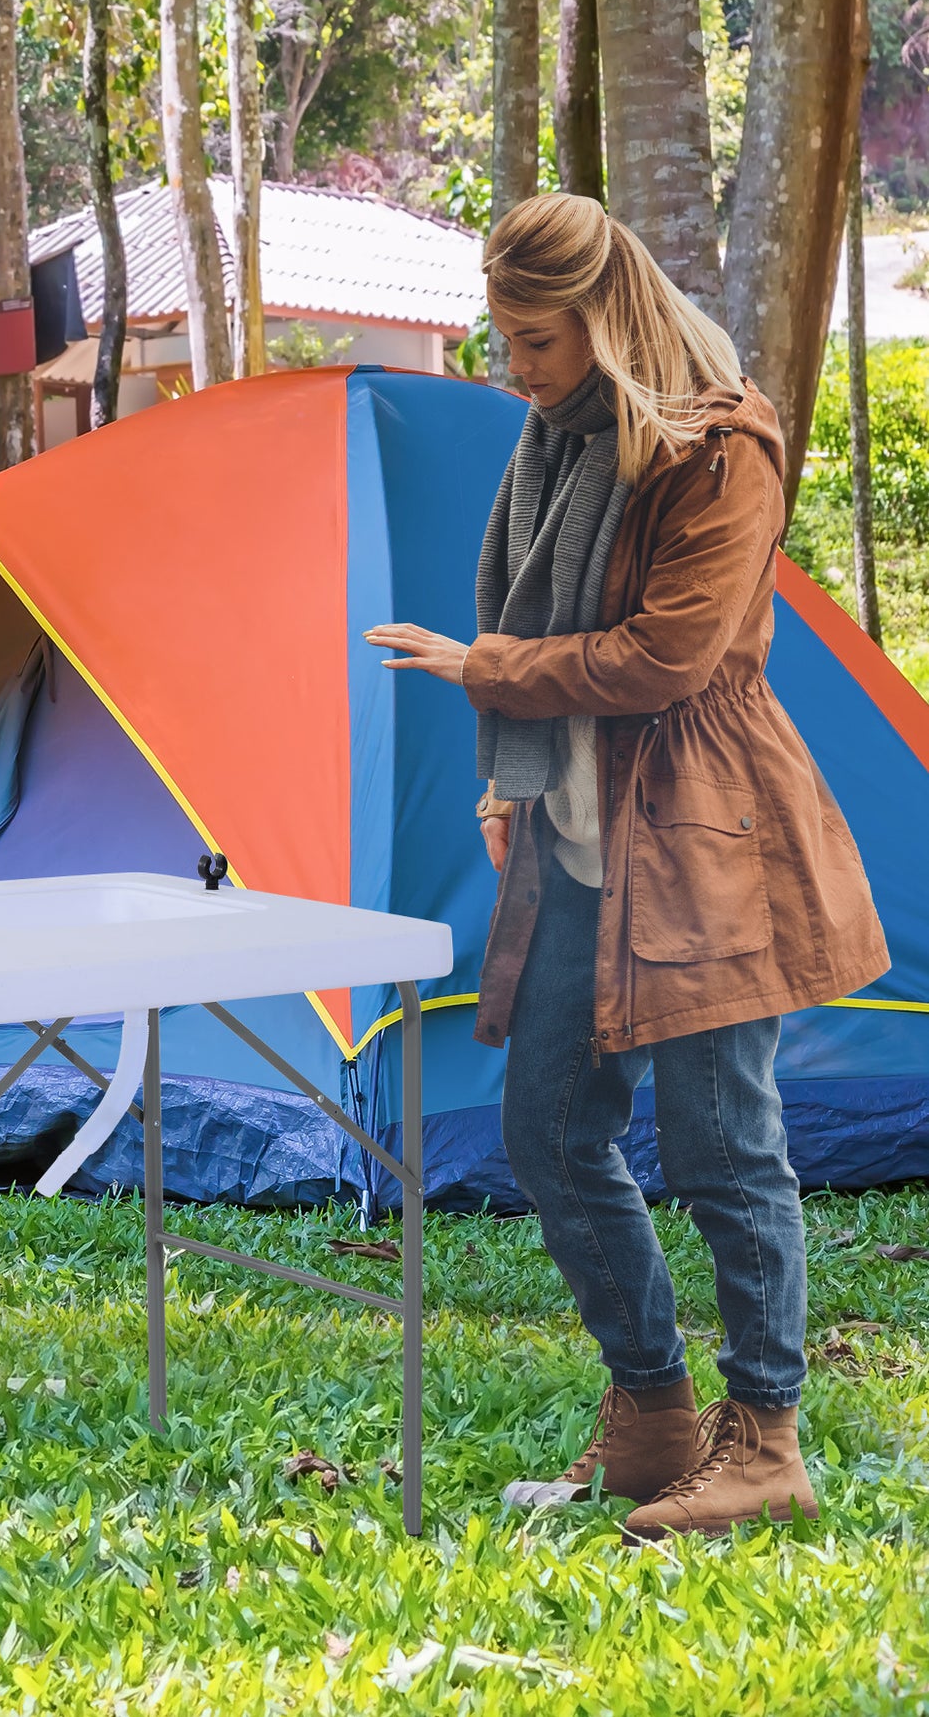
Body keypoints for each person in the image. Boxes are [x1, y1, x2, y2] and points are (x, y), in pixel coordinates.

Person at [366, 194, 887, 1542]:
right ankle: (653, 1410)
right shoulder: (557, 435)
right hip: (576, 834)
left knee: (724, 1147)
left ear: (605, 319)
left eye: (536, 341)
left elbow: (663, 657)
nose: (515, 370)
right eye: (504, 338)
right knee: (544, 1126)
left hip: (704, 836)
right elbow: (540, 601)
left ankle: (764, 1437)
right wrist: (503, 768)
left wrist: (482, 671)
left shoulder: (717, 450)